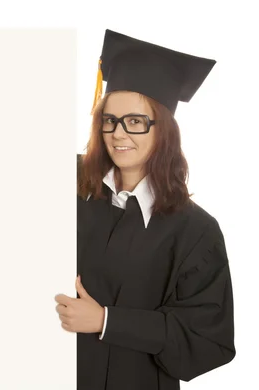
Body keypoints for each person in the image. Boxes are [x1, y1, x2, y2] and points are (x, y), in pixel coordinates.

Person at [54, 29, 235, 390]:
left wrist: (107, 321)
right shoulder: (66, 182)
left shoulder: (195, 231)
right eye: (110, 120)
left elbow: (209, 342)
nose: (118, 134)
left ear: (164, 130)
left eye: (136, 122)